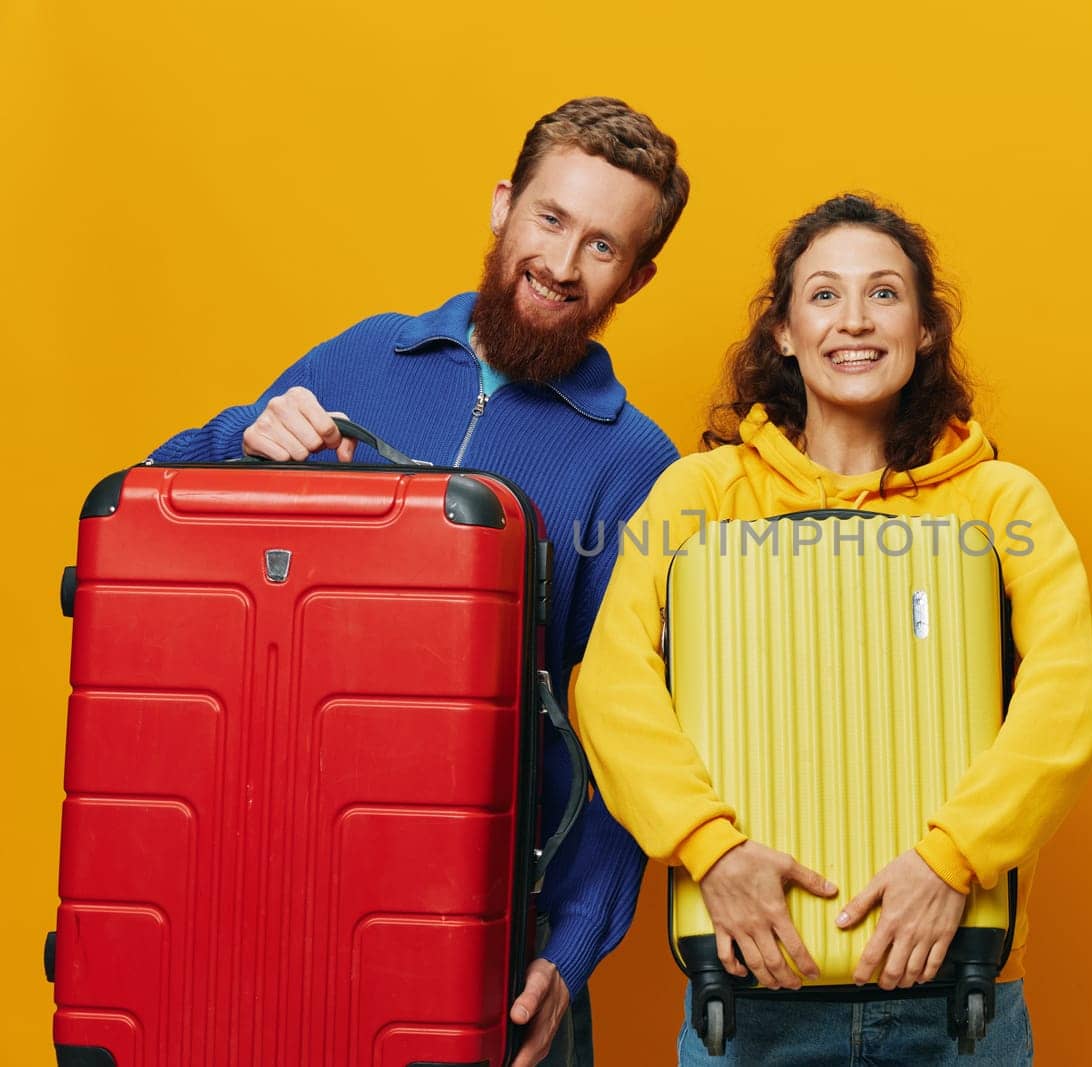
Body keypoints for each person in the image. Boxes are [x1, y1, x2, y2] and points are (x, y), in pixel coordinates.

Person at [147, 97, 688, 1067]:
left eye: (603, 245)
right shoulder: (362, 357)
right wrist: (240, 438)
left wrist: (571, 949)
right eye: (551, 218)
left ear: (638, 275)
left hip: (491, 936)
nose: (562, 265)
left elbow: (635, 730)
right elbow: (155, 532)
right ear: (502, 206)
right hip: (284, 893)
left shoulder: (640, 464)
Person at [573, 193, 1092, 1064]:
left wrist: (953, 862)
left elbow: (1069, 692)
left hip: (958, 1005)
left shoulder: (999, 501)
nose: (853, 321)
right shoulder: (702, 496)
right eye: (823, 295)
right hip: (749, 994)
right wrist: (712, 852)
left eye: (885, 295)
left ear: (927, 329)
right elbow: (610, 686)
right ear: (782, 332)